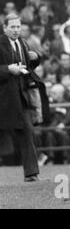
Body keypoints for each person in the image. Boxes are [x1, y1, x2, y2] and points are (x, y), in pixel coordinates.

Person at [0, 14, 42, 181]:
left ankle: (31, 174)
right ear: (5, 28)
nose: (17, 30)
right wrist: (7, 69)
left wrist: (36, 58)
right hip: (3, 98)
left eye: (18, 27)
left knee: (27, 132)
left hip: (21, 96)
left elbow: (28, 66)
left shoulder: (22, 43)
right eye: (13, 27)